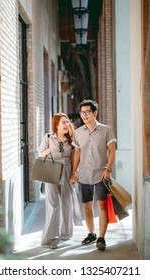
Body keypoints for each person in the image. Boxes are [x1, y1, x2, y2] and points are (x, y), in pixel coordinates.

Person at [69, 100, 116, 251]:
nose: (84, 115)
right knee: (87, 206)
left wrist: (108, 170)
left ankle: (101, 238)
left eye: (87, 112)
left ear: (95, 113)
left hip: (101, 173)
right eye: (82, 112)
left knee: (102, 205)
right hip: (83, 174)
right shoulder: (78, 132)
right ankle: (91, 234)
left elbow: (112, 151)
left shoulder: (106, 130)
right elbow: (77, 153)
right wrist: (73, 172)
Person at [38, 113, 82, 249]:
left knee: (67, 202)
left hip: (67, 171)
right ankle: (51, 237)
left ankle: (66, 233)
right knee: (53, 204)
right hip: (51, 171)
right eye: (63, 122)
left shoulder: (72, 139)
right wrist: (47, 152)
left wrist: (74, 174)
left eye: (67, 122)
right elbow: (40, 153)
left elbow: (76, 157)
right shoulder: (48, 137)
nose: (66, 124)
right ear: (56, 125)